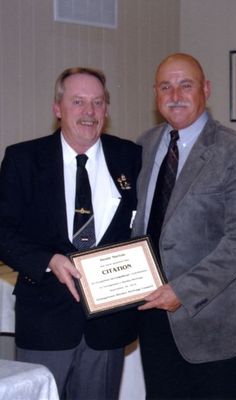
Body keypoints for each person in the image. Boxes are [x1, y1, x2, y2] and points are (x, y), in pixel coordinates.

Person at [0, 67, 141, 399]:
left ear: (106, 110)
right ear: (57, 108)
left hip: (107, 326)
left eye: (97, 102)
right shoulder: (23, 159)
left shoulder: (130, 157)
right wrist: (48, 259)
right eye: (77, 101)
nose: (88, 112)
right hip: (45, 323)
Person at [132, 53, 236, 399]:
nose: (175, 94)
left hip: (213, 324)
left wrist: (183, 291)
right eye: (166, 86)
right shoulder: (142, 146)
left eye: (185, 84)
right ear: (155, 93)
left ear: (205, 89)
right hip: (154, 320)